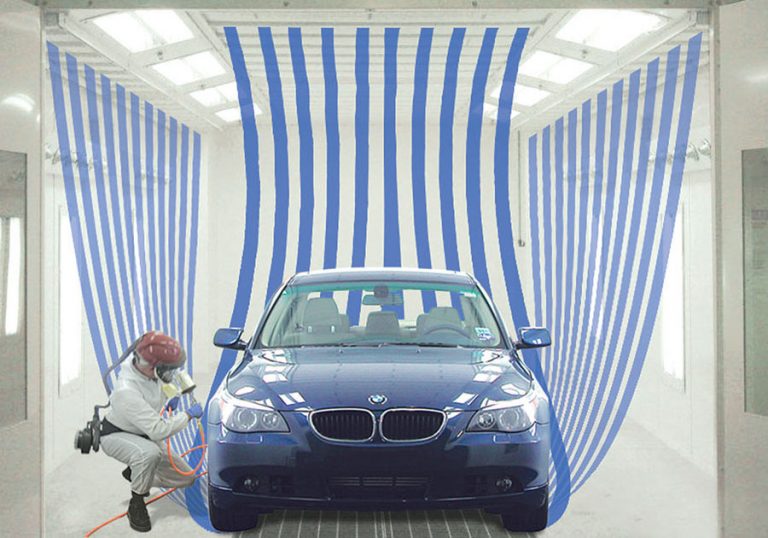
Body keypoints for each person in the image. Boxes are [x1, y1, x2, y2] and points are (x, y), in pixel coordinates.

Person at [100, 331, 204, 533]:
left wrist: (171, 395)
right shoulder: (126, 391)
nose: (172, 373)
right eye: (169, 369)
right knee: (149, 453)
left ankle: (137, 472)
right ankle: (136, 503)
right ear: (152, 366)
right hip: (117, 435)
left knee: (187, 478)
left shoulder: (146, 369)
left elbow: (157, 388)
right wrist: (188, 415)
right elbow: (158, 430)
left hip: (142, 433)